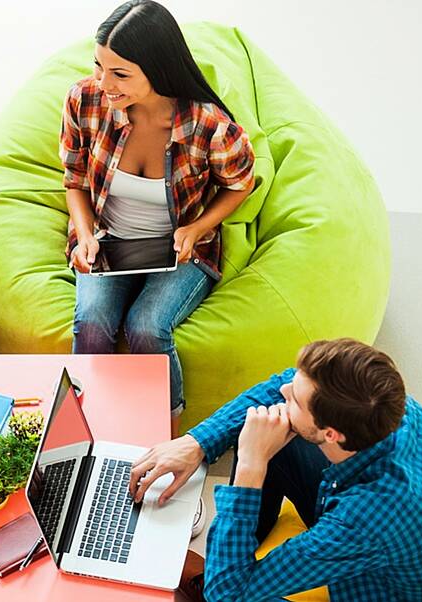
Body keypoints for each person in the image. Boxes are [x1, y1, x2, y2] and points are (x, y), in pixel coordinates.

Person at [130, 339, 422, 601]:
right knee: (266, 424)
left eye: (296, 399)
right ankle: (237, 552)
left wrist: (251, 467)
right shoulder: (389, 404)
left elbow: (228, 597)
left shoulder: (363, 520)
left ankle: (219, 568)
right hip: (410, 552)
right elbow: (281, 385)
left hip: (394, 582)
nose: (285, 389)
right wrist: (196, 443)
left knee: (225, 591)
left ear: (332, 434)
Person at [61, 0, 255, 436]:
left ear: (159, 69)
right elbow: (73, 179)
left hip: (178, 250)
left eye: (120, 74)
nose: (104, 83)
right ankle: (84, 433)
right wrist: (86, 234)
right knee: (91, 323)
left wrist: (196, 228)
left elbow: (240, 183)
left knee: (147, 327)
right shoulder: (85, 100)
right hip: (106, 241)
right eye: (99, 67)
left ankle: (165, 438)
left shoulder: (208, 125)